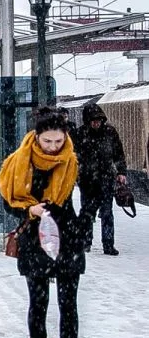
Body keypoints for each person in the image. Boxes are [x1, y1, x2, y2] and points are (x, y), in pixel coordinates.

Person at [0, 107, 87, 338]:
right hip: (34, 238)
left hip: (67, 238)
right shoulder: (18, 161)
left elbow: (91, 194)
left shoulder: (71, 161)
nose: (52, 147)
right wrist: (28, 208)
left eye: (58, 141)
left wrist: (84, 222)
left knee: (68, 303)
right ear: (36, 137)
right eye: (47, 141)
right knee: (39, 301)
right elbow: (7, 202)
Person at [73, 103, 127, 255]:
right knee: (87, 213)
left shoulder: (110, 132)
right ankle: (86, 242)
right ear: (87, 120)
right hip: (87, 180)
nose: (96, 122)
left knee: (107, 212)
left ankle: (108, 244)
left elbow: (118, 153)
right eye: (93, 120)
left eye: (98, 120)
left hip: (105, 179)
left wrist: (121, 172)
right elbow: (72, 156)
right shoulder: (80, 134)